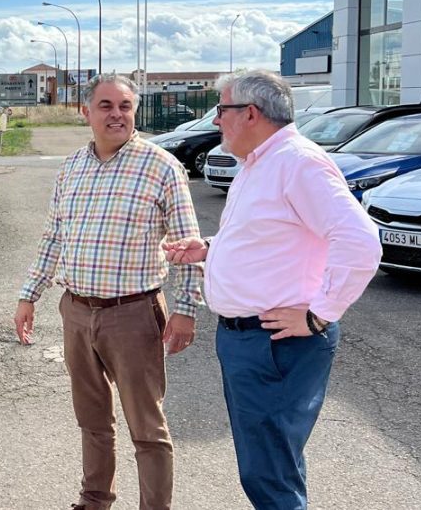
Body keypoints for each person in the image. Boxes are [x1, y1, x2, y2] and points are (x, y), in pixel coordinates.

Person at [163, 70, 381, 510]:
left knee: (269, 473)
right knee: (271, 464)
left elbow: (359, 241)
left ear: (250, 113)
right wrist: (208, 247)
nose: (216, 121)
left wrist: (319, 313)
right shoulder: (259, 162)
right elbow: (265, 236)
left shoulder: (297, 162)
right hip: (250, 341)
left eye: (221, 110)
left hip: (275, 344)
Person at [14, 73, 203, 510]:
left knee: (147, 429)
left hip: (133, 315)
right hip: (77, 313)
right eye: (106, 106)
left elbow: (187, 246)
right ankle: (94, 500)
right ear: (86, 113)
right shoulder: (72, 168)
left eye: (125, 106)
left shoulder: (161, 167)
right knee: (92, 420)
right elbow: (53, 238)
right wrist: (30, 294)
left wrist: (186, 309)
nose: (116, 114)